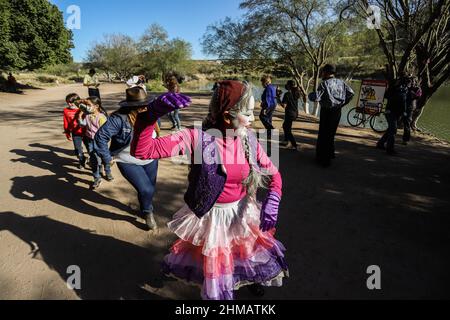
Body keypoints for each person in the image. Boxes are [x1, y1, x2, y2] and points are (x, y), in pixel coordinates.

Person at [131, 80, 288, 300]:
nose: (253, 119)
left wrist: (274, 198)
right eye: (248, 113)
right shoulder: (196, 138)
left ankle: (246, 279)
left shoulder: (249, 139)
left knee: (245, 255)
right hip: (212, 220)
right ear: (226, 116)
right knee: (218, 266)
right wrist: (150, 116)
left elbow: (274, 175)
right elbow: (143, 151)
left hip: (244, 214)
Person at [94, 87, 160, 230]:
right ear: (132, 106)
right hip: (128, 160)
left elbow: (156, 135)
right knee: (146, 190)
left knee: (149, 189)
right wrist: (107, 157)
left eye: (147, 104)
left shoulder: (153, 114)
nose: (146, 108)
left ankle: (144, 206)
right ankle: (148, 212)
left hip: (151, 158)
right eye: (142, 106)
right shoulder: (119, 119)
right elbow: (100, 137)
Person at [309, 64, 355, 167]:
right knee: (331, 134)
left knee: (323, 135)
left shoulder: (324, 84)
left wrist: (310, 95)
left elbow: (316, 98)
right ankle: (329, 155)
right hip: (337, 111)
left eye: (323, 71)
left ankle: (323, 159)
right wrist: (342, 104)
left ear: (326, 72)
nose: (322, 73)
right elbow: (351, 93)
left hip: (327, 111)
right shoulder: (341, 82)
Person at [78, 97, 113, 189]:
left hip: (100, 142)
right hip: (90, 140)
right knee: (93, 159)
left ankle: (107, 171)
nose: (87, 107)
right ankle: (96, 177)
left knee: (104, 157)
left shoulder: (102, 117)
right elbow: (83, 124)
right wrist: (80, 116)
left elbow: (105, 132)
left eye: (89, 105)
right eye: (86, 105)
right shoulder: (87, 115)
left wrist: (102, 141)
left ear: (97, 106)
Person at [376, 72, 410, 155]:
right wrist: (394, 87)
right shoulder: (394, 88)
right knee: (393, 130)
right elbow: (386, 95)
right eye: (407, 81)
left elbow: (404, 102)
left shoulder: (405, 89)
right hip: (390, 112)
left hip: (399, 113)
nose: (409, 82)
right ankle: (390, 149)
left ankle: (380, 144)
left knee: (390, 130)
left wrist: (404, 112)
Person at [63, 93, 88, 169]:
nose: (70, 104)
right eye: (68, 103)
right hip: (76, 133)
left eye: (71, 102)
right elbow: (66, 122)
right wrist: (67, 133)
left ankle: (95, 163)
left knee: (90, 149)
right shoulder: (66, 111)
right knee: (78, 150)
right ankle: (82, 160)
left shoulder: (84, 109)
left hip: (87, 133)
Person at [279, 80, 300, 150]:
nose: (286, 85)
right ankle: (286, 141)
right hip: (295, 113)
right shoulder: (297, 93)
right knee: (286, 126)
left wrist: (278, 98)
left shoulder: (287, 94)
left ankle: (294, 145)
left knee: (286, 128)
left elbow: (284, 105)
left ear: (289, 86)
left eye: (287, 84)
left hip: (289, 113)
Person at [402, 76, 422, 145]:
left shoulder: (417, 89)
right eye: (410, 81)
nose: (412, 82)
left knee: (407, 123)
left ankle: (405, 140)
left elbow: (418, 96)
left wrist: (413, 93)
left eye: (413, 81)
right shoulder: (405, 87)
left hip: (409, 108)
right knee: (394, 121)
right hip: (401, 107)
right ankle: (387, 137)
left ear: (415, 82)